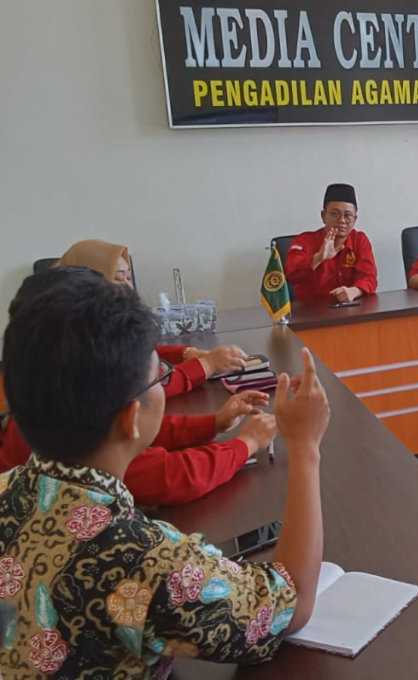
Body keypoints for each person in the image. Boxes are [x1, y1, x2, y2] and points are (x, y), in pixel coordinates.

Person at [0, 268, 328, 677]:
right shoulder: (144, 559)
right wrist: (306, 447)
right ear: (132, 417)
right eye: (159, 378)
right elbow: (289, 606)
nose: (163, 387)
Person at [0, 267, 279, 505]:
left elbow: (137, 426)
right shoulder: (93, 453)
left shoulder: (49, 402)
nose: (124, 288)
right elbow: (175, 476)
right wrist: (247, 443)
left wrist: (213, 423)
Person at [56, 239, 247, 397]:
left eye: (129, 277)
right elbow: (147, 387)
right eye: (118, 279)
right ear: (88, 283)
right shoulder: (75, 335)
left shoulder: (89, 322)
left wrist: (186, 353)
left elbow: (134, 353)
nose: (128, 288)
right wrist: (208, 365)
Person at [284, 183, 378, 303]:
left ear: (355, 219)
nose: (342, 220)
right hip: (311, 310)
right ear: (323, 216)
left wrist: (354, 291)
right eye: (335, 214)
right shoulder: (304, 240)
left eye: (348, 215)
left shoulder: (359, 240)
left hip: (350, 308)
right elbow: (291, 274)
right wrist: (318, 258)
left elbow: (369, 277)